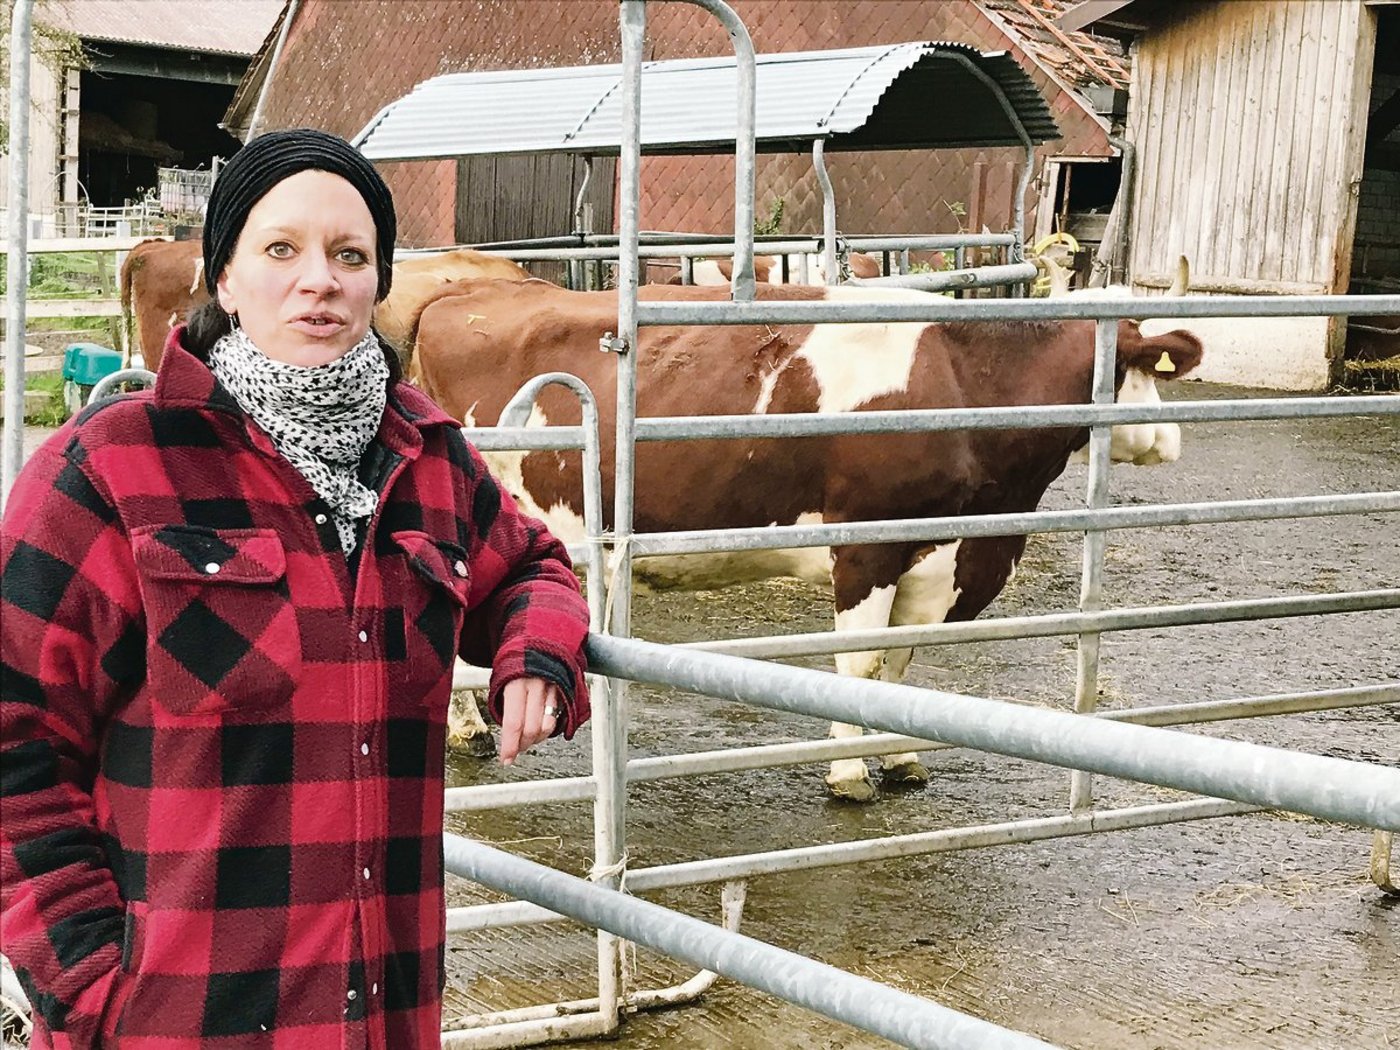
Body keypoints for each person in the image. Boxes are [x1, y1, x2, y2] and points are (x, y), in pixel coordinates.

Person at [0, 128, 591, 1048]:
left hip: (383, 1012)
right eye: (282, 249)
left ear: (377, 283)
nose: (319, 278)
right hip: (178, 1021)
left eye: (349, 255)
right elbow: (13, 736)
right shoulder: (112, 467)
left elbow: (532, 565)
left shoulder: (428, 457)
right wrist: (92, 981)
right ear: (225, 278)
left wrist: (536, 651)